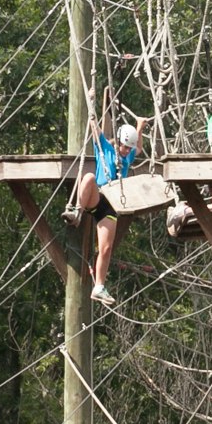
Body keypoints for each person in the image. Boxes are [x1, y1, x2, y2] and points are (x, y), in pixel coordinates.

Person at [66, 98, 144, 305]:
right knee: (89, 177)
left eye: (128, 148)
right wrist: (90, 102)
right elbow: (94, 126)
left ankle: (99, 287)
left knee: (106, 249)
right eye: (124, 147)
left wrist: (140, 127)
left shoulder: (127, 158)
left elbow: (139, 149)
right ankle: (77, 211)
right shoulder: (105, 148)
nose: (126, 151)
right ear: (117, 142)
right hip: (97, 196)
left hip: (111, 206)